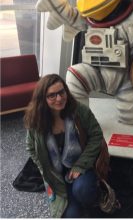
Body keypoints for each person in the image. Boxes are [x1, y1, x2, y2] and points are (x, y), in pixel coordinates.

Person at [24, 74, 104, 218]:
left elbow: (97, 135)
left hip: (81, 165)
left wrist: (81, 165)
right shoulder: (35, 119)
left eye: (61, 92)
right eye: (52, 95)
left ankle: (90, 200)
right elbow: (30, 147)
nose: (59, 98)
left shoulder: (79, 110)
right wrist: (45, 170)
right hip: (56, 175)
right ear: (43, 99)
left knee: (82, 191)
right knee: (71, 215)